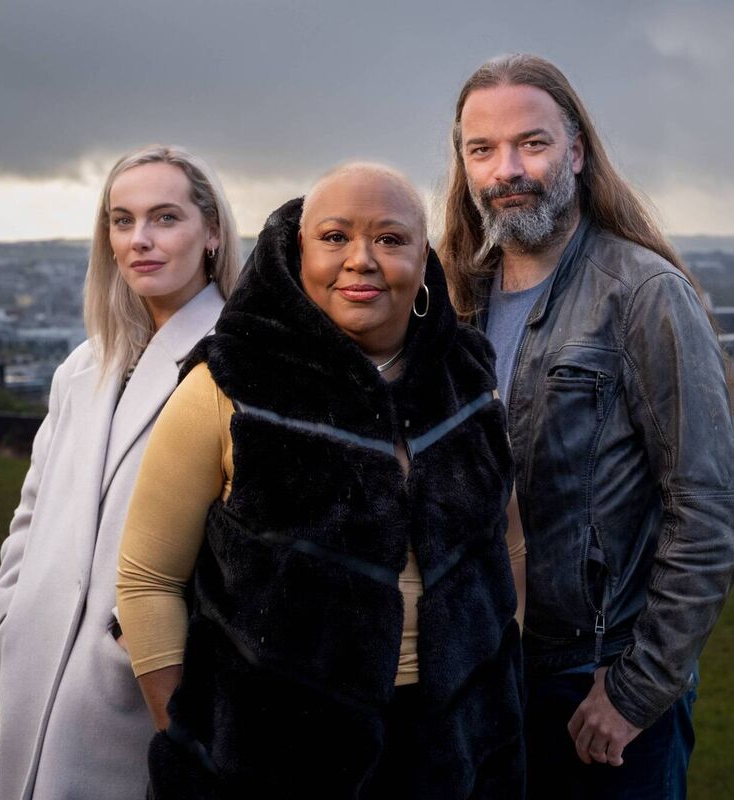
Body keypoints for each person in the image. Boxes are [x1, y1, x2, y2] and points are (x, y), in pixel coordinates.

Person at [116, 163, 528, 799]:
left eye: (390, 239)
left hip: (451, 758)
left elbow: (508, 546)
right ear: (297, 251)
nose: (360, 260)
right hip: (270, 764)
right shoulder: (227, 386)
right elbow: (146, 582)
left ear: (425, 260)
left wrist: (496, 698)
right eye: (334, 237)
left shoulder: (468, 381)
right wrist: (196, 749)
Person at [440, 54, 734, 799]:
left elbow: (712, 511)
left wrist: (637, 692)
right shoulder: (452, 300)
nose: (506, 169)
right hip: (481, 683)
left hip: (596, 692)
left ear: (576, 153)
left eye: (532, 143)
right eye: (482, 150)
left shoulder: (643, 294)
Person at [0, 144, 242, 800]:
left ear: (212, 233)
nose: (141, 240)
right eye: (122, 221)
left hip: (142, 684)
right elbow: (31, 510)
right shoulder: (81, 366)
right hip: (39, 664)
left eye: (165, 218)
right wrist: (10, 614)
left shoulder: (239, 369)